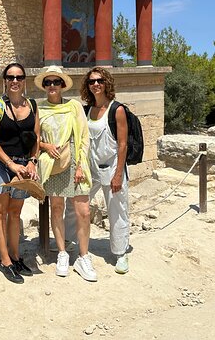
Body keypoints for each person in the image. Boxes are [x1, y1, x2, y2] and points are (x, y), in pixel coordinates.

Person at [34, 65, 96, 281]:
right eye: (48, 82)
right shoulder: (39, 109)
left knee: (83, 211)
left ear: (62, 85)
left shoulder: (74, 106)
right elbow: (34, 138)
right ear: (44, 86)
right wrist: (44, 145)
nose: (52, 86)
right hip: (53, 165)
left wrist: (81, 164)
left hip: (74, 163)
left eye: (56, 82)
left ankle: (83, 256)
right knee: (57, 208)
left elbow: (84, 136)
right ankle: (61, 252)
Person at [0, 62, 40, 284]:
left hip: (22, 165)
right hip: (0, 163)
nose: (15, 81)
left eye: (19, 77)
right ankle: (5, 260)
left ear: (24, 80)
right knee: (1, 211)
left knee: (16, 212)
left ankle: (15, 255)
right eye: (10, 77)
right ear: (4, 81)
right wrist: (10, 164)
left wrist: (33, 162)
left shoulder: (33, 105)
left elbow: (36, 138)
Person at [79, 67, 131, 274]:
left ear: (106, 82)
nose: (96, 84)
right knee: (77, 203)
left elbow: (123, 144)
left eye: (99, 80)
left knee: (117, 210)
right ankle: (70, 242)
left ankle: (121, 253)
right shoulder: (87, 110)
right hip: (90, 167)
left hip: (111, 168)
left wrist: (118, 174)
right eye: (91, 81)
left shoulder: (116, 110)